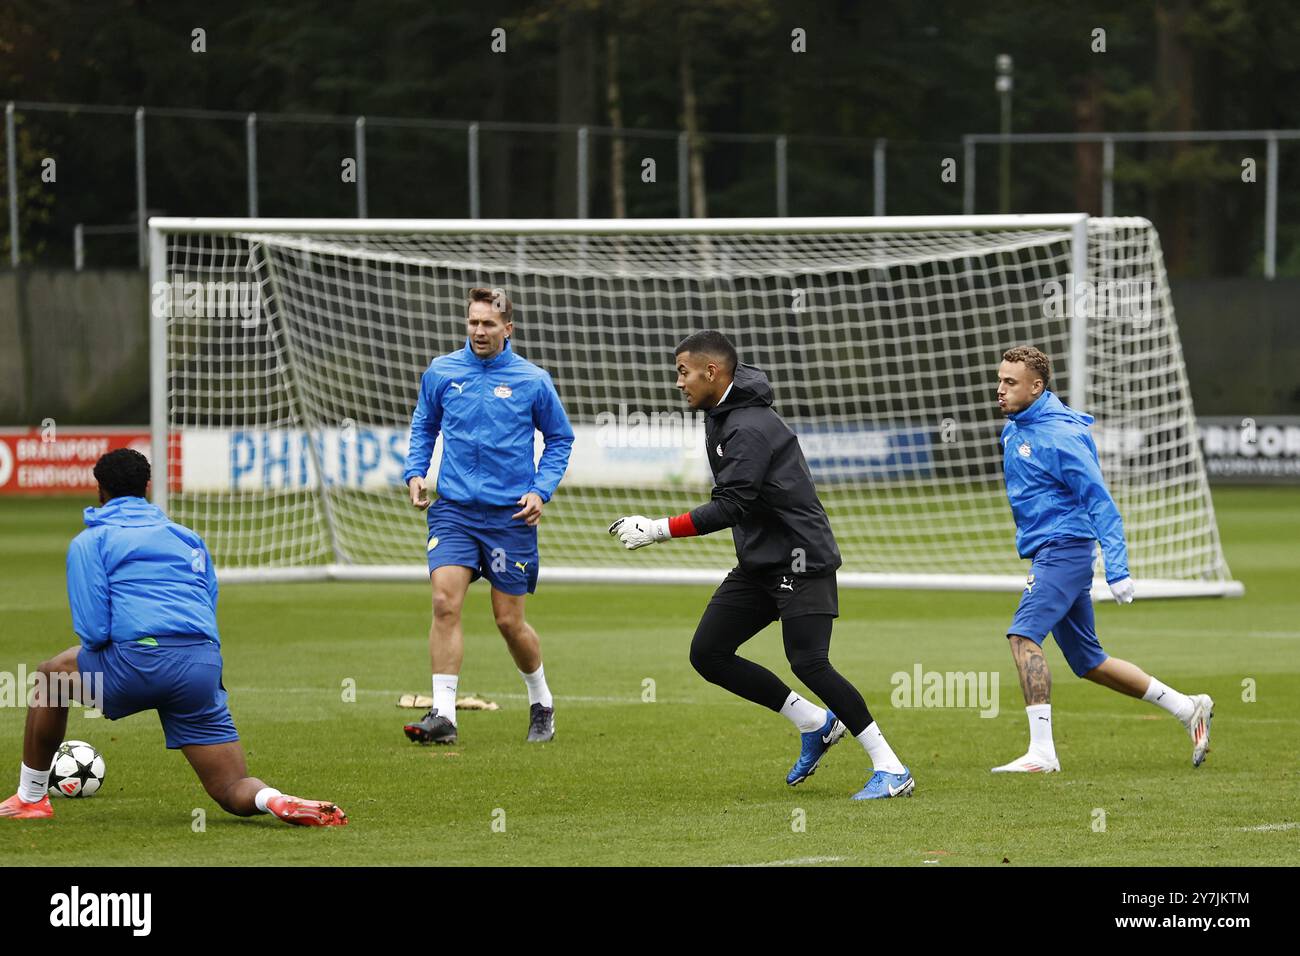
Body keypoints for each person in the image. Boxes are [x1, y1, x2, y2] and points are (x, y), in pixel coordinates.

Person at [609, 330, 914, 800]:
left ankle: (891, 768)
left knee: (810, 663)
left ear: (712, 372)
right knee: (708, 653)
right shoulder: (723, 413)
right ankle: (814, 723)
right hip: (760, 563)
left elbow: (732, 504)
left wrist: (658, 528)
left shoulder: (747, 426)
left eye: (683, 372)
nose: (678, 382)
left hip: (801, 558)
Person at [0, 448, 346, 824]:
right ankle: (274, 800)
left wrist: (127, 663)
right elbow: (206, 602)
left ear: (99, 490)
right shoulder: (188, 538)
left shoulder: (91, 541)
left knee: (51, 676)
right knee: (232, 787)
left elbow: (94, 630)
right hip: (200, 664)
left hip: (136, 662)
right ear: (147, 487)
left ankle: (31, 798)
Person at [992, 345, 1213, 772]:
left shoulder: (1061, 436)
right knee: (1089, 662)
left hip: (1065, 549)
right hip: (1051, 550)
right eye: (1000, 380)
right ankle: (1189, 708)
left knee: (1023, 636)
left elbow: (1100, 502)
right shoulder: (1015, 428)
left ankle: (1042, 753)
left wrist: (1118, 567)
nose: (999, 389)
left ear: (1037, 387)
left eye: (1010, 383)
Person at [403, 288, 574, 745]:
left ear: (508, 329)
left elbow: (560, 439)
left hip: (509, 518)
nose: (479, 331)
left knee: (507, 621)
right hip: (454, 511)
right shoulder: (442, 372)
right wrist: (416, 472)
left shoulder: (533, 380)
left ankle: (541, 702)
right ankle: (442, 715)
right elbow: (425, 424)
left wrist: (540, 491)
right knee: (444, 602)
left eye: (488, 324)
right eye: (473, 322)